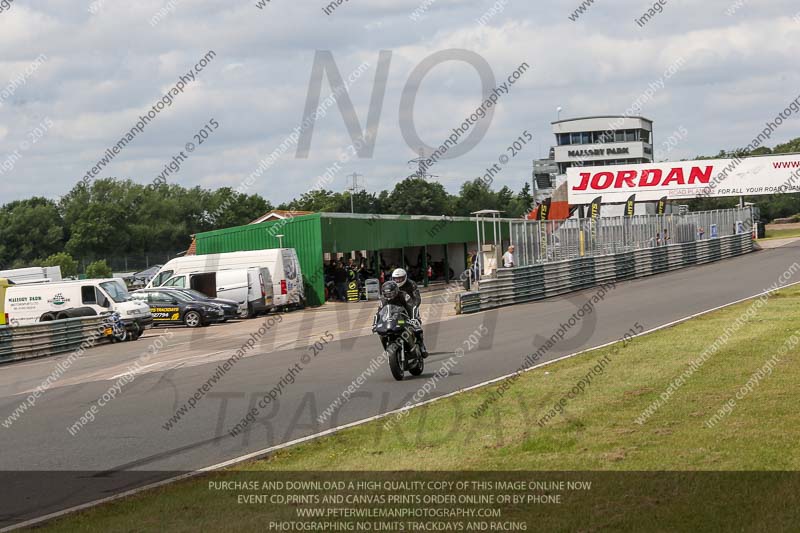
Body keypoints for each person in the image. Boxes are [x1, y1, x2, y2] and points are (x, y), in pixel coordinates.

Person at [391, 268, 427, 357]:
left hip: (410, 306)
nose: (398, 280)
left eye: (400, 278)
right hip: (396, 307)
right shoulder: (391, 285)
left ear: (405, 277)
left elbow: (417, 298)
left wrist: (413, 307)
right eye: (396, 279)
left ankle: (421, 345)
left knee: (416, 326)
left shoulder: (412, 284)